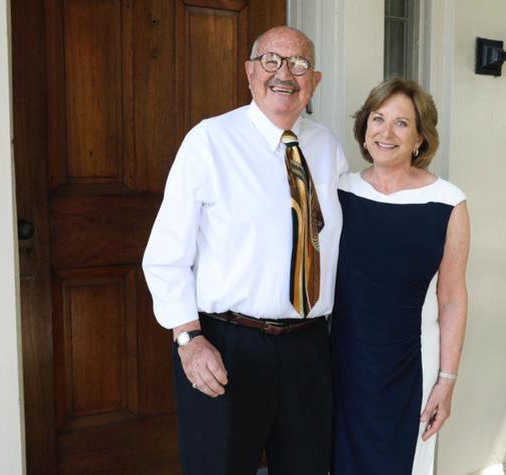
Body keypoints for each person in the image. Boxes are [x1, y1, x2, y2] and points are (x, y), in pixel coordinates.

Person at [142, 26, 348, 475]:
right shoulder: (209, 142)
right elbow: (164, 254)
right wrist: (189, 340)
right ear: (250, 73)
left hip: (309, 349)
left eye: (299, 65)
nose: (285, 74)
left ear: (315, 81)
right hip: (227, 345)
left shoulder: (329, 149)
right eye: (272, 60)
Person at [331, 77, 470, 475]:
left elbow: (453, 297)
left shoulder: (448, 202)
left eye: (401, 123)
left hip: (411, 364)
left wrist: (447, 380)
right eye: (378, 119)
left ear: (420, 139)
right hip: (341, 362)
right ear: (364, 129)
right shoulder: (339, 192)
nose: (386, 132)